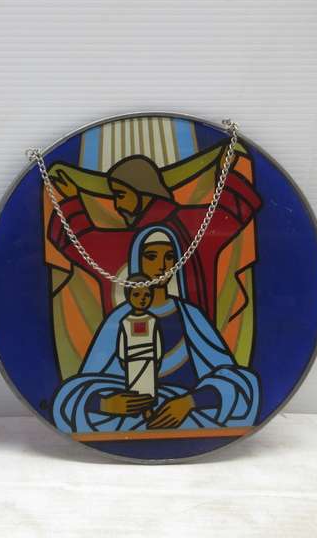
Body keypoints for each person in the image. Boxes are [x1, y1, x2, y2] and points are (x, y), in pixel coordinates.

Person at [52, 226, 259, 433]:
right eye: (151, 257)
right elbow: (81, 387)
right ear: (137, 262)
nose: (162, 266)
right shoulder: (118, 319)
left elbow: (234, 380)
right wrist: (107, 404)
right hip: (129, 417)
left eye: (169, 257)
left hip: (186, 414)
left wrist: (189, 402)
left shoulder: (190, 316)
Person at [47, 147, 262, 320]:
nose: (117, 205)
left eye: (121, 195)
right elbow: (232, 211)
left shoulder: (189, 227)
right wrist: (226, 172)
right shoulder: (193, 224)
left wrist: (73, 202)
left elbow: (81, 242)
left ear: (142, 191)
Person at [116, 274, 160, 400]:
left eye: (147, 295)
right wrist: (123, 358)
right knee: (134, 388)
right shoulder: (125, 321)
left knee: (148, 389)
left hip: (149, 359)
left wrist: (157, 357)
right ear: (128, 296)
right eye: (136, 295)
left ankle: (149, 405)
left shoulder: (152, 320)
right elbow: (122, 341)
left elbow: (156, 341)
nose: (142, 299)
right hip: (132, 360)